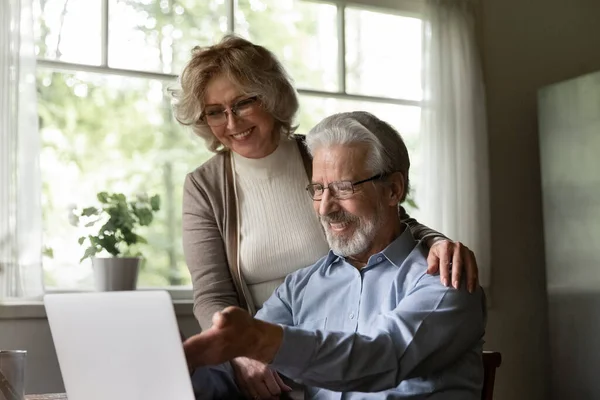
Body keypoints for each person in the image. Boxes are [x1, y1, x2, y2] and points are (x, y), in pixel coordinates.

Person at [171, 35, 480, 399]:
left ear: (269, 97)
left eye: (343, 187)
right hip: (275, 376)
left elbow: (381, 352)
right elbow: (214, 298)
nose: (325, 206)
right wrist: (186, 364)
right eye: (317, 189)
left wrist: (437, 241)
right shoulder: (302, 286)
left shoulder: (440, 278)